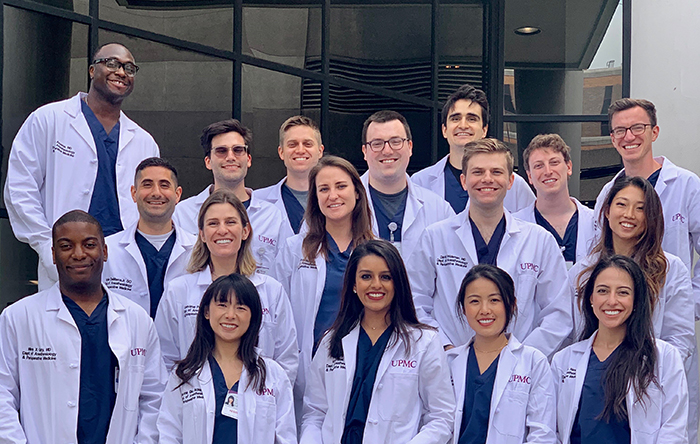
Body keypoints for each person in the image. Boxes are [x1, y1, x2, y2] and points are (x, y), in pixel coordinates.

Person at [0, 210, 166, 444]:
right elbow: (2, 393)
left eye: (89, 244)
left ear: (105, 251)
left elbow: (154, 399)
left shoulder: (137, 320)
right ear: (54, 255)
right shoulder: (18, 317)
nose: (79, 254)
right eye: (66, 246)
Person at [4, 43, 160, 290]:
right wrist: (47, 245)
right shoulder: (48, 120)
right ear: (91, 70)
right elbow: (20, 188)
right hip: (66, 257)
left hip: (123, 261)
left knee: (121, 325)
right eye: (112, 63)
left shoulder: (144, 142)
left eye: (129, 68)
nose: (121, 72)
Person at [407, 138, 571, 358]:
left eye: (496, 172)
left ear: (511, 181)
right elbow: (414, 302)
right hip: (450, 365)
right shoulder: (435, 238)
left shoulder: (539, 241)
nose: (487, 179)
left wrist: (521, 356)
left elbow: (558, 314)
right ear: (464, 180)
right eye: (478, 172)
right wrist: (444, 348)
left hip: (518, 372)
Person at [571, 175, 697, 438]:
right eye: (621, 204)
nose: (630, 214)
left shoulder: (670, 270)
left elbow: (681, 339)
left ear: (651, 217)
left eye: (641, 208)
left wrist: (646, 372)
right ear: (606, 211)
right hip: (591, 382)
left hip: (647, 386)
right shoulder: (583, 270)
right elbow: (573, 332)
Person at [301, 240, 455, 444]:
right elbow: (314, 412)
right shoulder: (332, 340)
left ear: (398, 283)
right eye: (366, 276)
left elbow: (441, 417)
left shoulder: (424, 342)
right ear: (354, 285)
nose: (376, 285)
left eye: (386, 277)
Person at [155, 189, 298, 384]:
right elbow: (163, 359)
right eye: (213, 223)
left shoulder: (271, 291)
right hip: (194, 405)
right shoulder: (178, 291)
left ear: (245, 231)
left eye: (230, 222)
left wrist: (265, 398)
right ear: (202, 235)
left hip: (256, 403)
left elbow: (286, 360)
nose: (222, 230)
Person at [270, 155, 374, 420]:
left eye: (341, 186)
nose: (333, 195)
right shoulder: (295, 250)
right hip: (308, 367)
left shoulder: (376, 250)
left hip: (363, 363)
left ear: (357, 192)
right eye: (323, 189)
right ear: (314, 198)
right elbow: (272, 312)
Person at [552, 255, 688, 444]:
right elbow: (553, 431)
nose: (612, 301)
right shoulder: (563, 360)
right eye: (603, 291)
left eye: (623, 292)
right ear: (591, 298)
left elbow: (674, 430)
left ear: (636, 300)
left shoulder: (664, 357)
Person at [157, 273, 296, 444]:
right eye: (222, 305)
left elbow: (285, 437)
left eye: (241, 308)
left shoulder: (273, 375)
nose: (230, 315)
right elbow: (169, 435)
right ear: (207, 312)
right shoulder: (185, 375)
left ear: (253, 316)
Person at [594, 98, 700, 320]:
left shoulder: (686, 185)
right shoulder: (607, 194)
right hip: (615, 316)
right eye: (620, 130)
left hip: (666, 315)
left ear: (654, 132)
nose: (629, 136)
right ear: (612, 139)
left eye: (637, 128)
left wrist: (689, 305)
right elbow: (599, 251)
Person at [447, 264, 556, 444]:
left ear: (511, 305)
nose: (485, 310)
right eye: (474, 301)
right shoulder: (448, 362)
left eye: (494, 300)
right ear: (463, 308)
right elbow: (435, 421)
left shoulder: (533, 362)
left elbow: (542, 433)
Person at [173, 119, 293, 275]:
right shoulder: (182, 214)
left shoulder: (273, 217)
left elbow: (285, 273)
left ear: (248, 159)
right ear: (208, 162)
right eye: (221, 151)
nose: (230, 157)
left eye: (238, 150)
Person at [412, 84, 535, 214]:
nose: (463, 125)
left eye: (472, 119)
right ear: (444, 130)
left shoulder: (514, 185)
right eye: (456, 118)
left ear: (484, 130)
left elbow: (531, 228)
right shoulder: (420, 182)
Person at [103, 157, 196, 318]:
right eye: (147, 184)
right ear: (134, 193)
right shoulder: (108, 250)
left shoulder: (198, 250)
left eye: (164, 185)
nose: (156, 193)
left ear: (177, 194)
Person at [360, 110, 454, 260]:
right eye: (377, 144)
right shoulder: (344, 203)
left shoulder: (439, 210)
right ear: (365, 151)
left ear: (410, 147)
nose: (387, 150)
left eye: (396, 142)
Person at [513, 134, 595, 267]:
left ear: (569, 167)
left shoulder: (597, 222)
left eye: (554, 163)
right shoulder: (514, 226)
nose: (548, 171)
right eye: (539, 166)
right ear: (529, 176)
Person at [253, 115, 325, 234]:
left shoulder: (335, 199)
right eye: (292, 144)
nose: (300, 150)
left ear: (320, 151)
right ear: (281, 152)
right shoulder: (257, 201)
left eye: (307, 144)